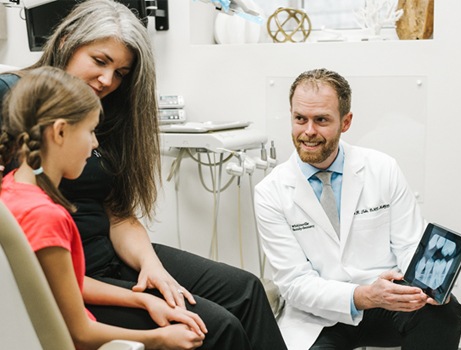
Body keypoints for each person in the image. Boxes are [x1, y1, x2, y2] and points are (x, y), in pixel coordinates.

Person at [0, 1, 287, 349]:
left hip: (111, 257)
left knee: (247, 290)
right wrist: (147, 310)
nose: (108, 81)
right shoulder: (13, 97)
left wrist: (152, 267)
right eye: (100, 61)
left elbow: (119, 214)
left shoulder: (104, 108)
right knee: (216, 327)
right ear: (66, 43)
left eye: (121, 72)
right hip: (68, 269)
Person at [254, 68, 461, 350]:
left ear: (346, 121)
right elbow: (294, 284)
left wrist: (431, 286)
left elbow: (409, 244)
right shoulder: (270, 192)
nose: (308, 131)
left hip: (387, 303)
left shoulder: (382, 168)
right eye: (300, 119)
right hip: (319, 315)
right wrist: (364, 295)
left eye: (321, 120)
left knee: (444, 314)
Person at [0, 66, 207, 349]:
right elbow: (79, 334)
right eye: (90, 131)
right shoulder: (46, 217)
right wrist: (158, 339)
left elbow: (63, 285)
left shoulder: (11, 191)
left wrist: (143, 299)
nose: (94, 144)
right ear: (60, 132)